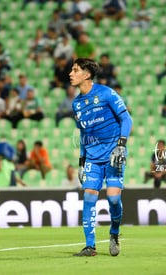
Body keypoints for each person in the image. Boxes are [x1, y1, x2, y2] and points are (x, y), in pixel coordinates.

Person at [70, 58, 133, 257]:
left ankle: (114, 233)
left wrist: (121, 145)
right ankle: (90, 246)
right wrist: (81, 162)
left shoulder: (106, 93)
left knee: (114, 200)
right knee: (89, 198)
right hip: (92, 158)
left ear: (86, 74)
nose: (70, 74)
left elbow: (126, 118)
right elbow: (83, 134)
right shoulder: (77, 104)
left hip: (114, 155)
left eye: (75, 70)